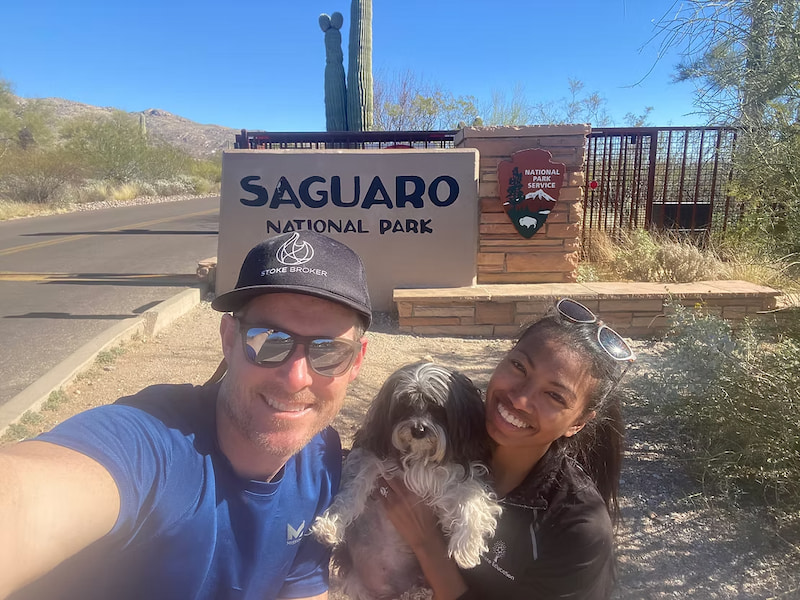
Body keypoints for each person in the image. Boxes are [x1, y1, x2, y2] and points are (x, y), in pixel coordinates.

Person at [0, 231, 372, 600]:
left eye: (328, 351)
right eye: (269, 340)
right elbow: (23, 500)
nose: (296, 378)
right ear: (229, 339)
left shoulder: (319, 457)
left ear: (356, 361)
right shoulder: (151, 444)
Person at [379, 298, 635, 600]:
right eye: (518, 366)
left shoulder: (575, 527)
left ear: (577, 423)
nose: (520, 399)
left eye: (554, 395)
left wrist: (427, 544)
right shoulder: (442, 432)